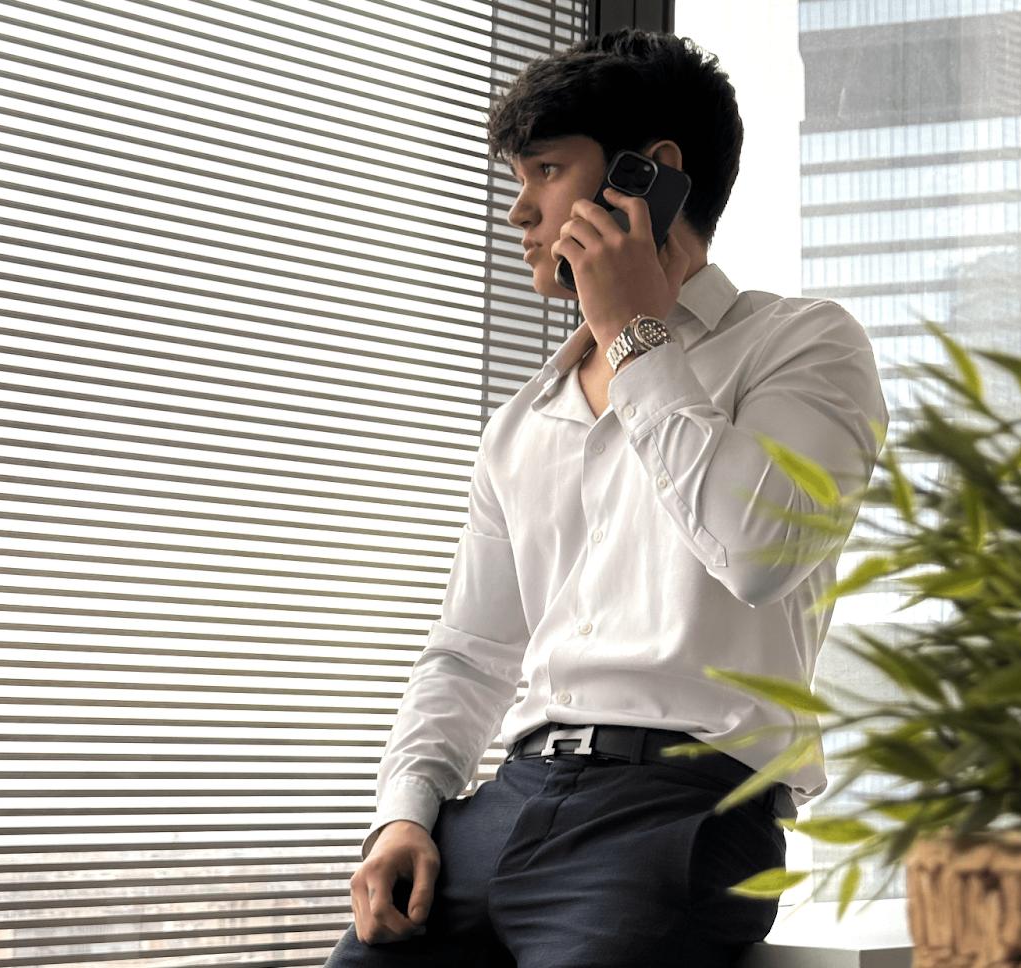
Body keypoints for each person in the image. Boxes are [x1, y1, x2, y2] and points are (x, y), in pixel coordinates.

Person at [324, 27, 887, 968]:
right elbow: (469, 651)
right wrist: (404, 814)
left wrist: (632, 336)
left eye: (546, 170)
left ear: (649, 176)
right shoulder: (522, 420)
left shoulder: (804, 345)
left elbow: (761, 552)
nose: (519, 210)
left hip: (680, 813)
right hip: (499, 810)